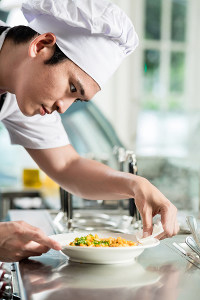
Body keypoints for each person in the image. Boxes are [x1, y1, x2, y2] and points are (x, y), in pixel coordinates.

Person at [0, 0, 179, 262]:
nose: (62, 107)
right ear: (41, 46)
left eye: (76, 100)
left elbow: (67, 165)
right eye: (72, 88)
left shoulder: (22, 89)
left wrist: (135, 184)